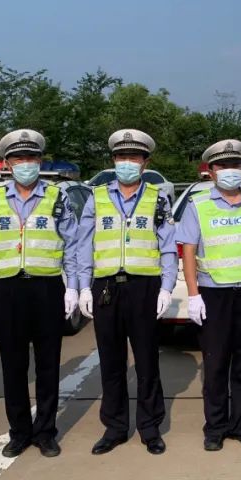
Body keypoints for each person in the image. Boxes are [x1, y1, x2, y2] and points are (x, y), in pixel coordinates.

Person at [0, 129, 80, 459]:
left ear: (40, 161)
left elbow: (73, 246)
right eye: (19, 158)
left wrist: (74, 286)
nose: (26, 164)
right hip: (9, 289)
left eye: (31, 158)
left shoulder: (57, 198)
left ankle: (46, 431)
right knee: (13, 366)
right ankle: (19, 432)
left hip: (47, 288)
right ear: (7, 163)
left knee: (48, 364)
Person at [77, 130, 176, 456]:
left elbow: (167, 248)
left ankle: (150, 428)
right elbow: (84, 245)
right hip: (106, 288)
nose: (127, 163)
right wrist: (82, 286)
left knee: (147, 361)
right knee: (111, 362)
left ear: (145, 162)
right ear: (113, 161)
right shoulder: (97, 197)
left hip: (143, 287)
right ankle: (115, 427)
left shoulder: (158, 199)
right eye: (122, 158)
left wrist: (166, 286)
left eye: (134, 158)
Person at [175, 139, 241, 451]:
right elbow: (188, 252)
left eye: (234, 164)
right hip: (213, 294)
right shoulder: (198, 205)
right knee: (216, 364)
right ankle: (215, 428)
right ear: (212, 171)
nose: (229, 170)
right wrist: (193, 294)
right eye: (222, 165)